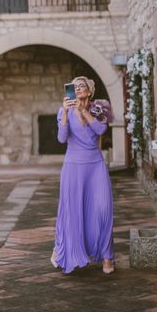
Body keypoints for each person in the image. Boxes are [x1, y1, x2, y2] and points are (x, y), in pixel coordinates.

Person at [51, 76, 115, 274]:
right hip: (73, 167)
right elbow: (62, 139)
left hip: (95, 165)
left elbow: (100, 129)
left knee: (103, 208)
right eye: (74, 86)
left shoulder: (99, 108)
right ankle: (62, 250)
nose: (77, 89)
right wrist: (66, 113)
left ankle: (107, 257)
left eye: (81, 86)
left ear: (89, 91)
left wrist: (83, 111)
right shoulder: (64, 111)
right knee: (72, 211)